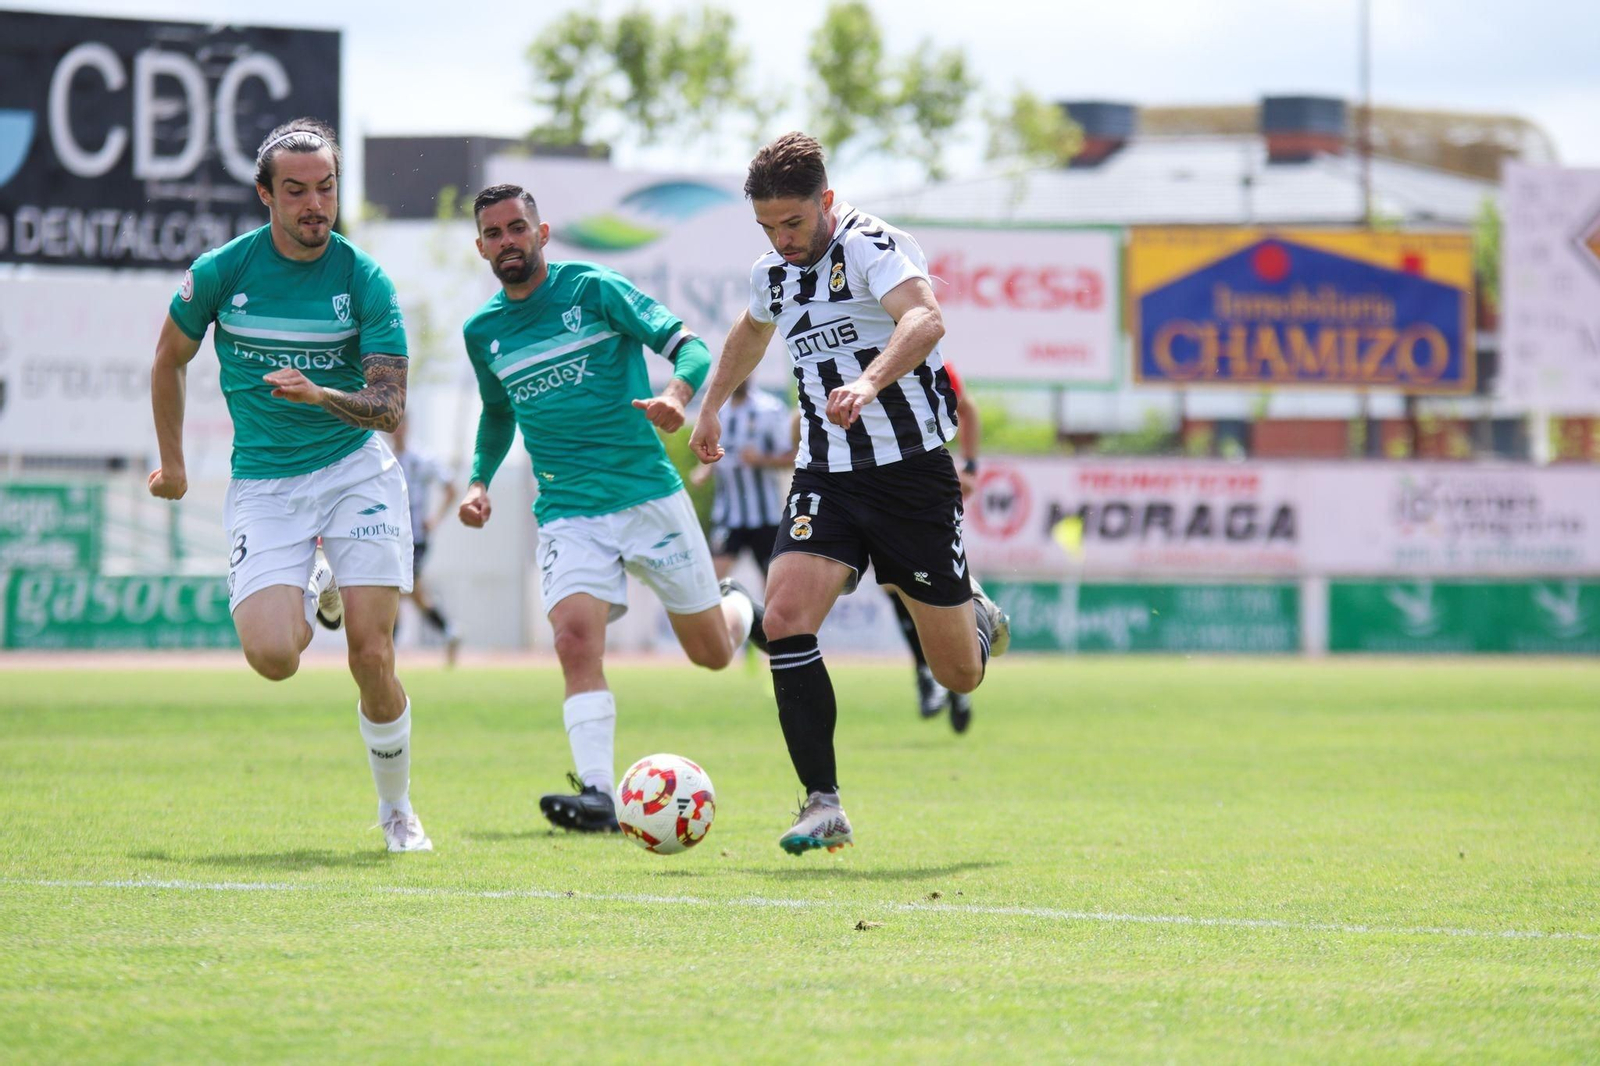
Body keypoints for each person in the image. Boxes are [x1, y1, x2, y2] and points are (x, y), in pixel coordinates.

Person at [689, 132, 1010, 856]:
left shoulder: (871, 245)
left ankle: (975, 615)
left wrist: (867, 382)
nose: (782, 239)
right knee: (785, 618)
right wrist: (711, 406)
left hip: (911, 475)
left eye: (793, 222)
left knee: (958, 674)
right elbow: (750, 331)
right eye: (767, 227)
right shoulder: (773, 272)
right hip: (825, 475)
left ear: (826, 200)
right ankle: (822, 804)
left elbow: (925, 318)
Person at [148, 118, 431, 852]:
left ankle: (397, 812)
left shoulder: (363, 279)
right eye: (297, 191)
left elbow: (390, 407)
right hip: (266, 484)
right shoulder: (222, 272)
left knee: (371, 653)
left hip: (354, 472)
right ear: (265, 195)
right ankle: (313, 582)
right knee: (274, 658)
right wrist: (174, 464)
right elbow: (168, 359)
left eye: (326, 188)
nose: (315, 205)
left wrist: (320, 395)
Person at [456, 183, 763, 834]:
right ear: (480, 246)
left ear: (542, 233)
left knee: (712, 653)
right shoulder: (483, 332)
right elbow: (498, 412)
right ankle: (598, 792)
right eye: (493, 233)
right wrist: (479, 481)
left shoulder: (593, 289)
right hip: (567, 510)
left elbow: (691, 347)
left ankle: (740, 606)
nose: (507, 241)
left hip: (646, 494)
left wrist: (677, 396)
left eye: (517, 228)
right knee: (573, 640)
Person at [889, 359, 982, 732]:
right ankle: (928, 673)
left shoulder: (929, 359)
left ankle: (956, 672)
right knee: (893, 584)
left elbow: (967, 407)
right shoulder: (851, 354)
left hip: (926, 482)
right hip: (879, 486)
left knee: (934, 580)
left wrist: (970, 465)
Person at [689, 379, 795, 582]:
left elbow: (792, 458)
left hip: (765, 515)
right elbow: (715, 452)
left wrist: (761, 460)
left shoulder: (770, 409)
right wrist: (704, 469)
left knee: (773, 584)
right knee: (710, 582)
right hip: (728, 514)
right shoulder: (717, 412)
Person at [389, 416, 463, 666]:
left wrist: (435, 519)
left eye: (400, 423)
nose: (396, 430)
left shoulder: (422, 459)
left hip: (416, 539)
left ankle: (389, 650)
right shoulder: (383, 458)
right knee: (409, 593)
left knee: (397, 589)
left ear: (408, 425)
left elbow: (451, 488)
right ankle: (449, 631)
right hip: (390, 537)